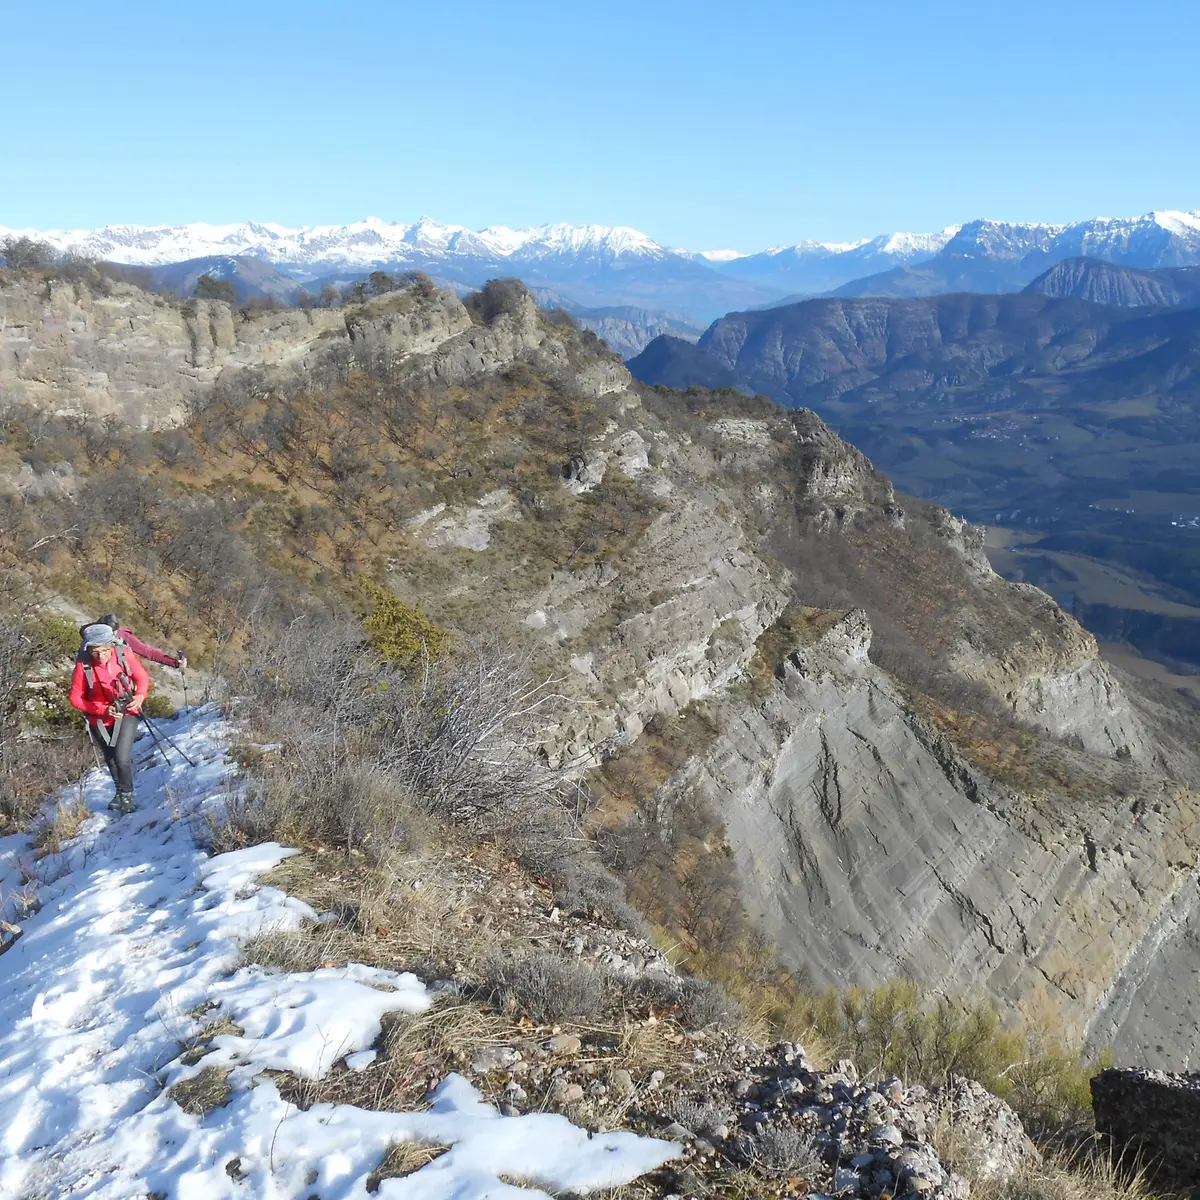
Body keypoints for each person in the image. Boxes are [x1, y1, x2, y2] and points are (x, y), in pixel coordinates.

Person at [69, 624, 150, 814]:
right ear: (88, 649)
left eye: (106, 650)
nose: (102, 656)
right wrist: (102, 710)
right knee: (111, 759)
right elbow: (75, 698)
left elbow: (142, 678)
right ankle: (120, 792)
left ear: (112, 645)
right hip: (99, 717)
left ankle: (128, 797)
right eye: (96, 652)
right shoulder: (84, 664)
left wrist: (139, 697)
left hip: (127, 711)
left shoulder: (123, 654)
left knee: (121, 757)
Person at [90, 613, 186, 670]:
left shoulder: (123, 635)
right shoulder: (91, 636)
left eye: (112, 632)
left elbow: (148, 652)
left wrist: (174, 662)